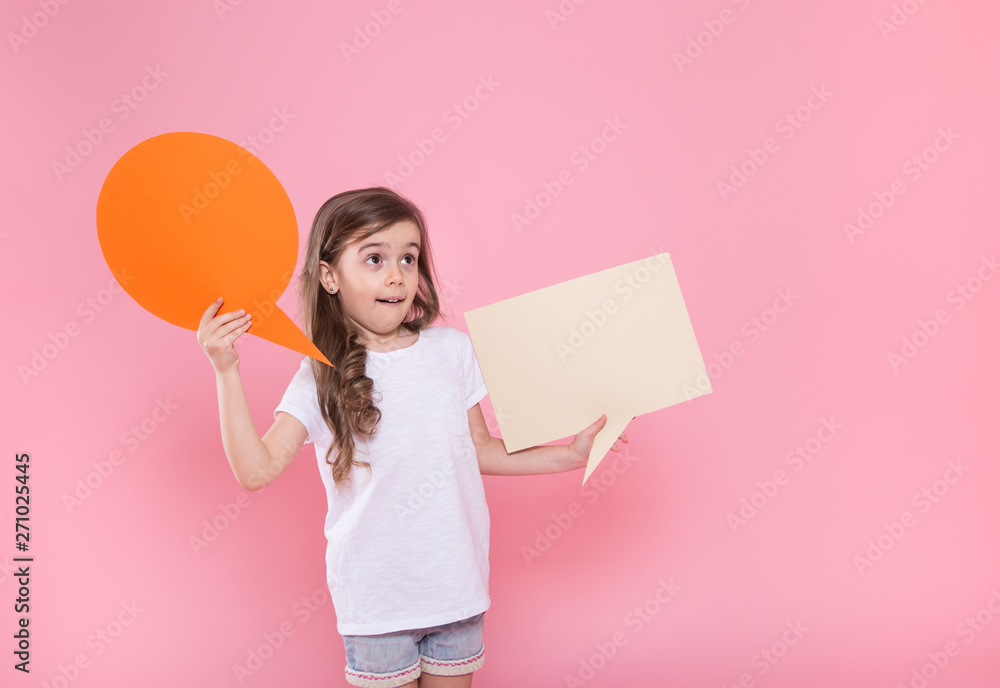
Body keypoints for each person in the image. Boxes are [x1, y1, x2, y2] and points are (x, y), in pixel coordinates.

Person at [197, 187, 631, 688]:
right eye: (375, 258)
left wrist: (569, 456)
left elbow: (480, 448)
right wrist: (226, 372)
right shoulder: (319, 375)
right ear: (329, 276)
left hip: (455, 591)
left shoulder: (451, 350)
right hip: (378, 604)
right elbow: (257, 470)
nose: (397, 274)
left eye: (409, 256)